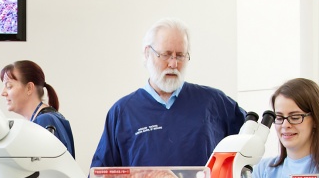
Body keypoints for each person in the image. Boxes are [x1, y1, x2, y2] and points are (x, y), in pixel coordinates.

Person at [91, 18, 247, 168]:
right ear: (147, 53)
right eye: (166, 54)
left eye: (180, 55)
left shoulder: (213, 103)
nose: (173, 64)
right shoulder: (123, 112)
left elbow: (250, 139)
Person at [0, 60, 76, 157]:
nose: (3, 93)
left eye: (9, 86)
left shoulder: (45, 121)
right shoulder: (48, 118)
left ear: (29, 88)